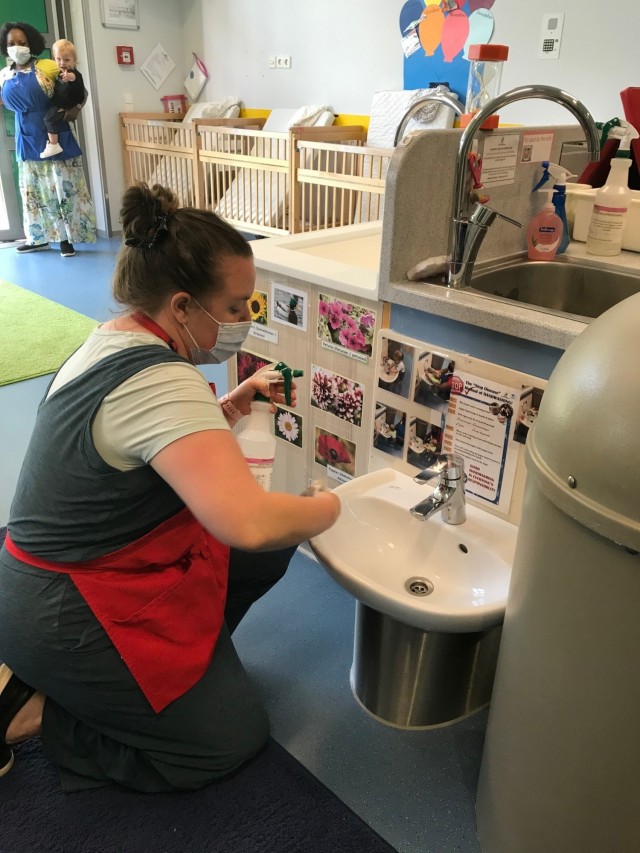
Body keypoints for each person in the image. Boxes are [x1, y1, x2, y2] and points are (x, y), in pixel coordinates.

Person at [0, 182, 340, 792]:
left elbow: (149, 451)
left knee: (260, 553)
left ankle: (174, 677)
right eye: (235, 308)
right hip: (69, 608)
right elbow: (249, 523)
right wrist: (333, 506)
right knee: (228, 740)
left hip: (60, 577)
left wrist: (230, 406)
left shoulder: (117, 338)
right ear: (183, 306)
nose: (243, 323)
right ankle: (40, 712)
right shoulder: (161, 381)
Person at [0, 21, 97, 257]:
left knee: (60, 188)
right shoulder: (4, 74)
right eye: (12, 43)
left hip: (53, 133)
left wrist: (74, 109)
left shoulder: (47, 66)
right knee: (33, 191)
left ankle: (66, 239)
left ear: (31, 43)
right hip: (26, 136)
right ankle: (37, 238)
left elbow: (79, 89)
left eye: (21, 43)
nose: (17, 47)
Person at [40, 38, 85, 159]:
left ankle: (54, 144)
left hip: (63, 107)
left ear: (74, 61)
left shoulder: (72, 73)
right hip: (59, 105)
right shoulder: (58, 74)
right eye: (58, 59)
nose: (62, 63)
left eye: (67, 60)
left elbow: (74, 79)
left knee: (48, 119)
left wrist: (69, 77)